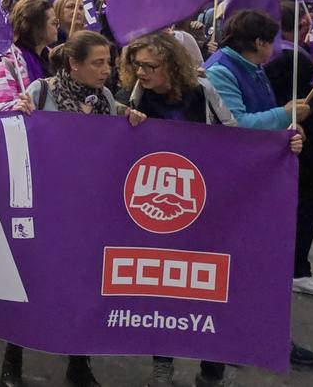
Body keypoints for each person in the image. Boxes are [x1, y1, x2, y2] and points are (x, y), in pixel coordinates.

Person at [0, 30, 145, 387]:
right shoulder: (42, 91)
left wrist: (130, 122)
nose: (106, 70)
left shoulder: (107, 98)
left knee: (82, 285)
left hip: (87, 209)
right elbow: (9, 130)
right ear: (73, 64)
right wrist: (16, 111)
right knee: (29, 281)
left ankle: (79, 361)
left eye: (108, 62)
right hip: (44, 206)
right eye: (97, 63)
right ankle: (12, 358)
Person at [122, 31, 243, 387]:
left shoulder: (203, 92)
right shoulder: (136, 96)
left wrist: (286, 143)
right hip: (158, 210)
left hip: (204, 203)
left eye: (151, 66)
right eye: (137, 65)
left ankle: (212, 369)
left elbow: (235, 136)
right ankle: (163, 364)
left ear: (172, 66)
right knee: (164, 286)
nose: (142, 72)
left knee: (209, 287)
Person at [204, 8, 313, 371]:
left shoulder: (249, 66)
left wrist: (288, 134)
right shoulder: (222, 70)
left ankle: (262, 334)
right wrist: (286, 115)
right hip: (234, 185)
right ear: (258, 43)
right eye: (272, 42)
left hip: (257, 182)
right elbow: (236, 124)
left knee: (259, 266)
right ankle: (240, 339)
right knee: (240, 267)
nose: (276, 49)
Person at [262, 1, 313, 299]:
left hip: (277, 143)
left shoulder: (267, 60)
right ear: (301, 26)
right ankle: (297, 270)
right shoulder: (297, 61)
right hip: (303, 148)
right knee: (304, 207)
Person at [0, 0, 58, 112]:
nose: (57, 27)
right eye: (54, 23)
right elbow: (0, 111)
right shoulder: (4, 63)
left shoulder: (55, 60)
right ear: (36, 26)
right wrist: (21, 109)